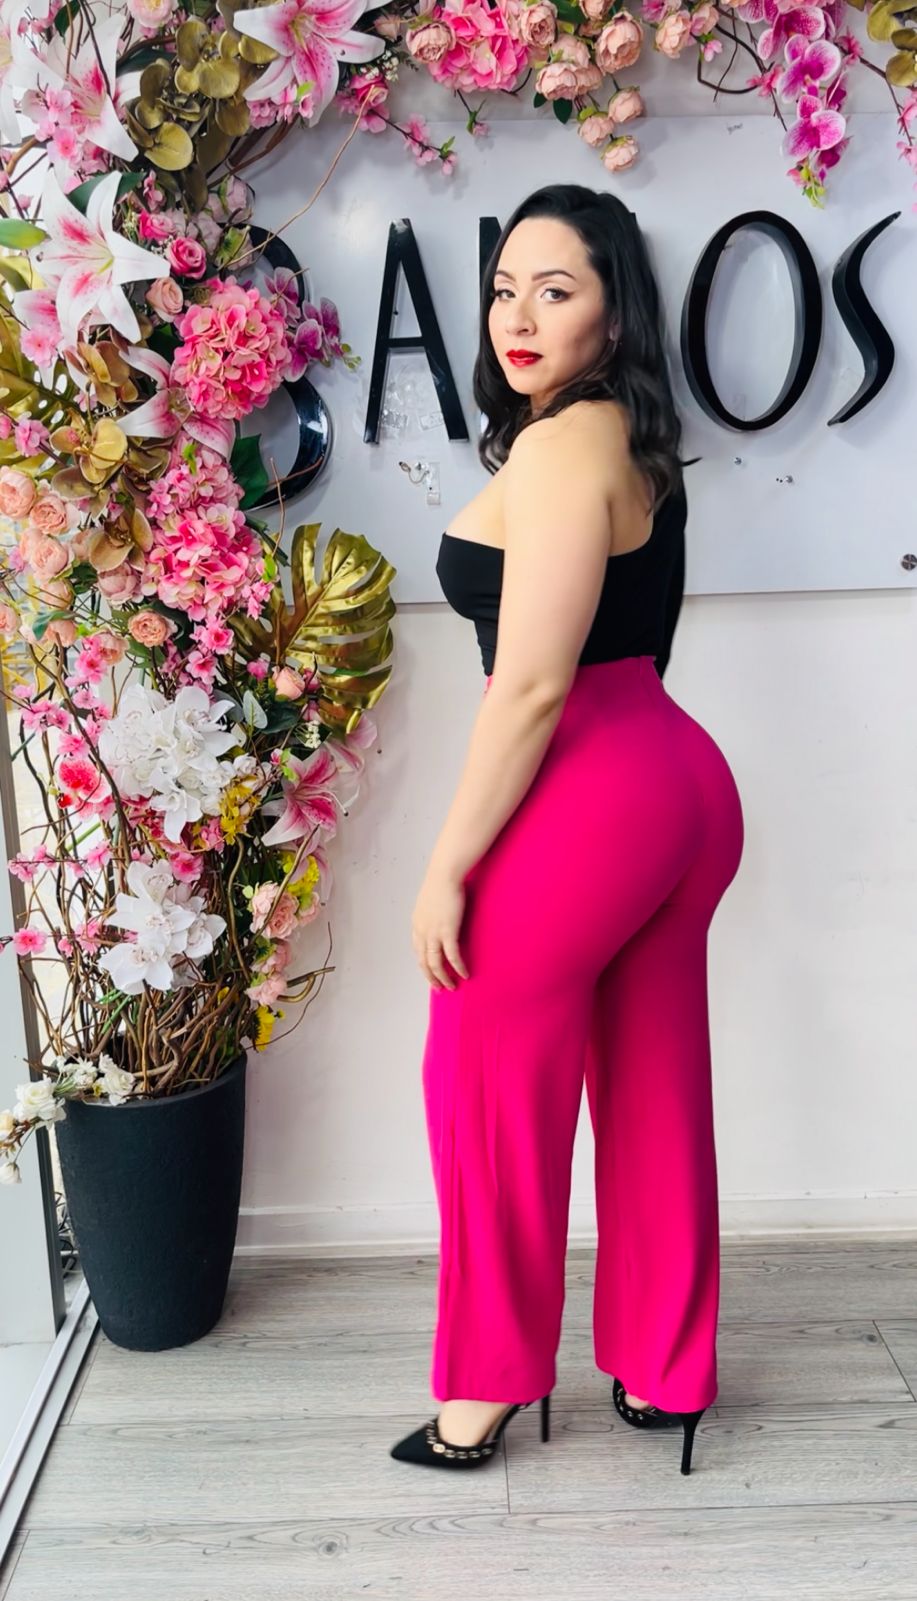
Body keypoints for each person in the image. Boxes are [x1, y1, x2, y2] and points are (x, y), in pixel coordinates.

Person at [390, 184, 745, 1478]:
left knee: (483, 1077)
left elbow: (534, 684)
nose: (519, 317)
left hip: (594, 784)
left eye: (557, 290)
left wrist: (447, 864)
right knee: (653, 1082)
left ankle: (482, 1388)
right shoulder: (633, 440)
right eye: (504, 289)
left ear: (614, 313)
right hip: (675, 781)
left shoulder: (556, 452)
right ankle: (664, 1370)